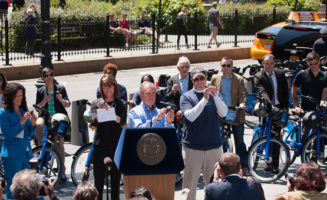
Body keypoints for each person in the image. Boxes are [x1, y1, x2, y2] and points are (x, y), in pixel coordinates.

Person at [180, 68, 228, 200]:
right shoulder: (186, 97)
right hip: (192, 148)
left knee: (215, 185)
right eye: (196, 79)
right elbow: (190, 116)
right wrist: (205, 99)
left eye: (202, 78)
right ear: (192, 81)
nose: (200, 82)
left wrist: (216, 96)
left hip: (214, 146)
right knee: (189, 187)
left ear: (206, 78)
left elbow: (223, 113)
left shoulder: (215, 94)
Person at [210, 57, 249, 175]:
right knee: (219, 140)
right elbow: (212, 94)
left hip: (235, 112)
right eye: (223, 65)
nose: (226, 68)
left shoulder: (239, 79)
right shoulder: (215, 78)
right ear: (220, 66)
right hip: (220, 113)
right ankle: (220, 166)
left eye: (228, 65)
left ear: (232, 66)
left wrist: (242, 104)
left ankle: (243, 166)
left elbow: (242, 94)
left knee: (239, 141)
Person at [91, 74, 127, 200]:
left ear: (114, 87)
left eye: (110, 87)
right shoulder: (96, 103)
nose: (107, 90)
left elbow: (123, 121)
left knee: (115, 182)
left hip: (115, 146)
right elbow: (93, 123)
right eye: (105, 87)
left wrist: (114, 116)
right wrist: (99, 112)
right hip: (100, 146)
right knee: (99, 182)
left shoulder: (120, 103)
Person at [0, 82, 37, 199]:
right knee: (13, 187)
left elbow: (28, 134)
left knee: (27, 187)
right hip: (12, 154)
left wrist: (33, 123)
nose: (20, 99)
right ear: (10, 96)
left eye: (21, 96)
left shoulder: (23, 109)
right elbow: (8, 135)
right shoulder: (3, 113)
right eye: (17, 96)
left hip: (25, 152)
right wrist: (21, 122)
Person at [254, 54, 289, 174]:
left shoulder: (280, 74)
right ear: (263, 64)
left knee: (276, 136)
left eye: (271, 63)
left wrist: (285, 108)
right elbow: (263, 92)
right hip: (267, 108)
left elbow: (285, 91)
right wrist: (270, 105)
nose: (269, 66)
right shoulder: (259, 76)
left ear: (275, 63)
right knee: (264, 135)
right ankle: (264, 159)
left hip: (279, 108)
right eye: (266, 63)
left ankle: (274, 164)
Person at [35, 67, 70, 182]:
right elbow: (37, 108)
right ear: (43, 78)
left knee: (58, 144)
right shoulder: (40, 91)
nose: (49, 77)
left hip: (59, 120)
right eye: (46, 75)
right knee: (39, 126)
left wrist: (61, 100)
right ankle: (41, 147)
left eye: (51, 75)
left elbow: (67, 104)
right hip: (46, 119)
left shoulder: (60, 88)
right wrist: (44, 101)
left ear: (53, 76)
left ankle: (62, 171)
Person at [292, 52, 327, 139]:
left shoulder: (324, 75)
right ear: (307, 63)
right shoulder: (302, 74)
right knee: (304, 135)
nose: (313, 66)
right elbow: (294, 89)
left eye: (315, 63)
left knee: (319, 136)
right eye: (311, 64)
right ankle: (303, 152)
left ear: (319, 61)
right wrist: (296, 106)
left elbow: (325, 91)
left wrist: (323, 102)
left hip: (319, 109)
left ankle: (317, 151)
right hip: (306, 108)